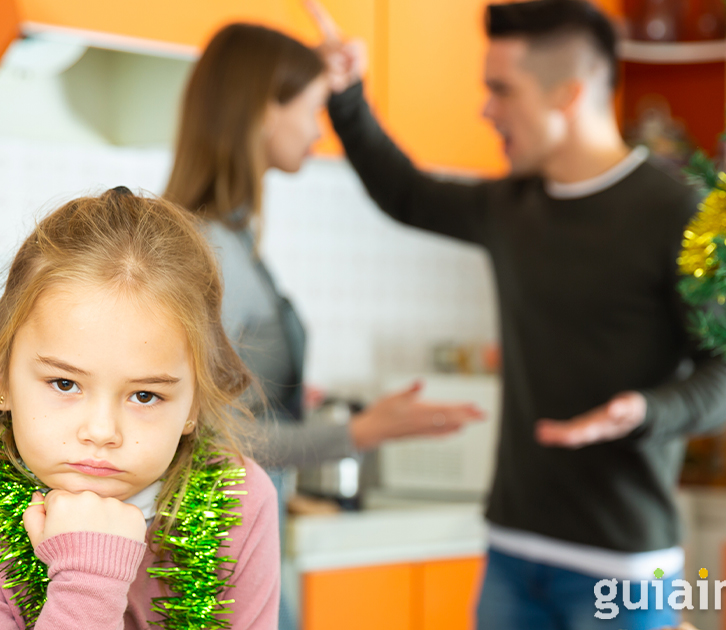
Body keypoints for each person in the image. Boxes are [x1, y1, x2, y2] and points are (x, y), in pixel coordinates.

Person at [309, 0, 726, 628]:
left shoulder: (678, 214)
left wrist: (647, 411)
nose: (485, 110)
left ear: (567, 94)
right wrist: (347, 96)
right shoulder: (512, 207)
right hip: (512, 555)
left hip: (624, 569)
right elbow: (405, 193)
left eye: (501, 90)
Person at [162, 23, 485, 630]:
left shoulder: (227, 240)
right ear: (266, 109)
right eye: (312, 109)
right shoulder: (212, 250)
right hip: (214, 558)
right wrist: (356, 433)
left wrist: (284, 397)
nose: (318, 130)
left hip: (239, 539)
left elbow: (229, 404)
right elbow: (206, 438)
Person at [0, 188, 279, 629]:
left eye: (145, 395)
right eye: (65, 384)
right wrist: (92, 579)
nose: (101, 431)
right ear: (0, 375)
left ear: (195, 401)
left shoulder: (239, 502)